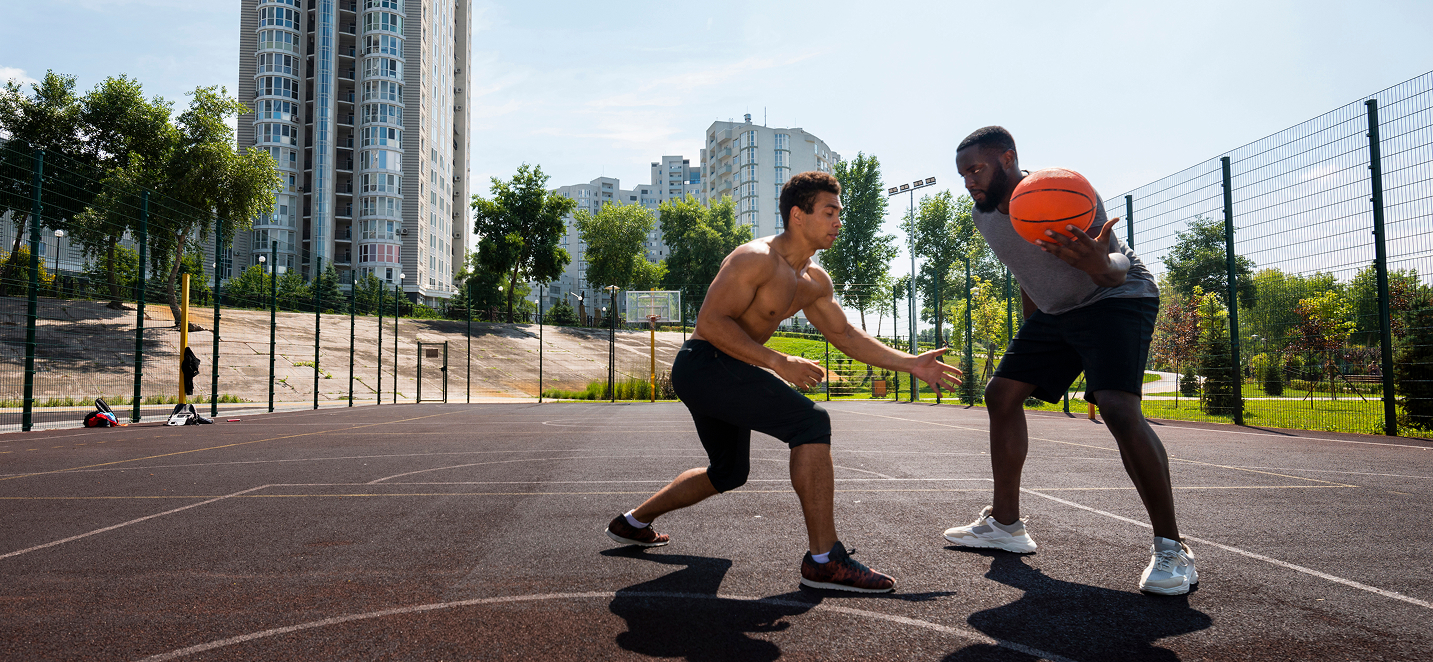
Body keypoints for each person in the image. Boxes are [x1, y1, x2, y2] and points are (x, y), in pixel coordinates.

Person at [604, 171, 962, 593]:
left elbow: (846, 335)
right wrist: (778, 361)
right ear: (798, 215)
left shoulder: (814, 281)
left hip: (729, 370)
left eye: (839, 214)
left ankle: (631, 522)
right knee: (810, 422)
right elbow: (711, 322)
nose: (838, 222)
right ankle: (824, 559)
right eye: (829, 213)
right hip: (703, 364)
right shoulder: (754, 258)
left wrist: (911, 363)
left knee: (729, 472)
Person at [941, 126, 1197, 596]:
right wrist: (1032, 339)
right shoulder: (985, 217)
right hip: (1058, 313)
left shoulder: (1062, 190)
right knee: (1001, 393)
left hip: (1116, 297)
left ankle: (1172, 549)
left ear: (1007, 158)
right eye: (962, 174)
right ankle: (1005, 525)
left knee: (1119, 408)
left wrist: (1099, 264)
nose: (969, 182)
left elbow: (1116, 266)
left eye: (976, 169)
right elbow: (1027, 274)